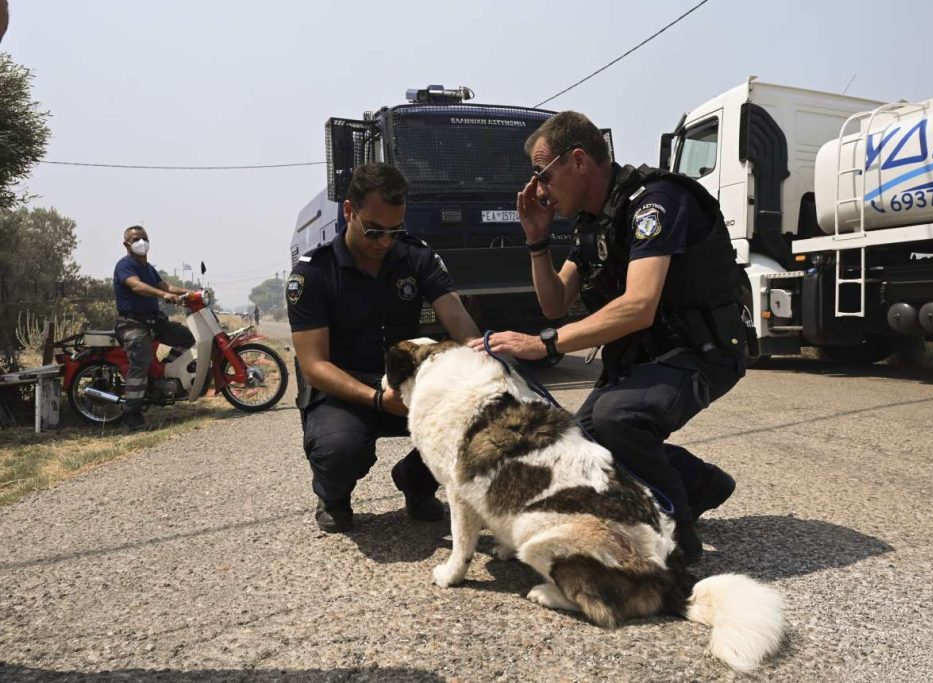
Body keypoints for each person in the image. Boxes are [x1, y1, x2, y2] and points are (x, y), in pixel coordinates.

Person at [470, 112, 746, 563]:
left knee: (620, 417)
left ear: (578, 161)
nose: (538, 189)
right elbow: (555, 303)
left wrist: (544, 344)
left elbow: (640, 305)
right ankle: (699, 485)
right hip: (646, 358)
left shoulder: (655, 201)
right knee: (580, 445)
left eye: (542, 174)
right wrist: (537, 242)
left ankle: (674, 540)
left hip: (702, 352)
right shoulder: (595, 221)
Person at [288, 162, 480, 533]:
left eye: (395, 231)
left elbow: (460, 323)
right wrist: (377, 399)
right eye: (374, 231)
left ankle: (416, 480)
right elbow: (314, 365)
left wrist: (482, 352)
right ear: (349, 211)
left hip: (404, 381)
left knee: (472, 418)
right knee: (340, 449)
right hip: (342, 388)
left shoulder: (416, 256)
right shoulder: (313, 273)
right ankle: (333, 495)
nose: (385, 242)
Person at [113, 225, 195, 432]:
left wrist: (191, 293)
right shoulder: (125, 265)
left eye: (144, 238)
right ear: (126, 244)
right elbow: (137, 286)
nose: (141, 242)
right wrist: (163, 296)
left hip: (154, 321)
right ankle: (131, 415)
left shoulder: (148, 268)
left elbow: (164, 286)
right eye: (136, 239)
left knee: (187, 338)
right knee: (141, 361)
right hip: (132, 323)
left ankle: (164, 376)